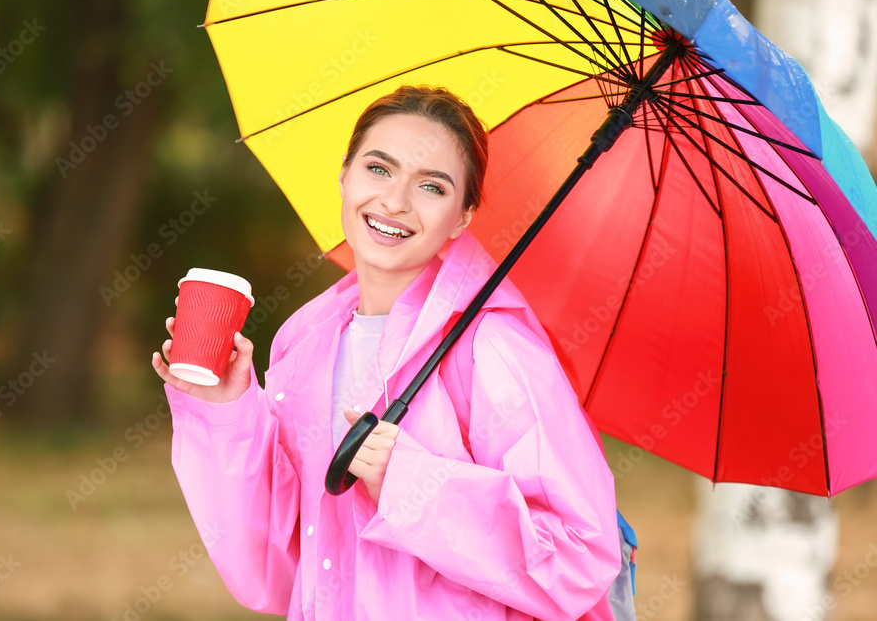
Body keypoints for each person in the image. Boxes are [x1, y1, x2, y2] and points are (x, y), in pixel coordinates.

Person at [152, 85, 622, 620]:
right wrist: (226, 410)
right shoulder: (305, 342)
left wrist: (411, 483)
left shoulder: (494, 350)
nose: (395, 201)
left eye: (432, 186)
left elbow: (580, 554)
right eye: (379, 169)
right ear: (344, 176)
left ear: (464, 216)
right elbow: (279, 565)